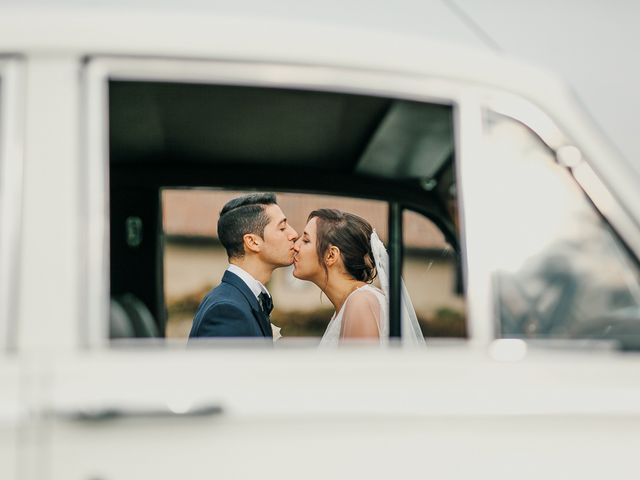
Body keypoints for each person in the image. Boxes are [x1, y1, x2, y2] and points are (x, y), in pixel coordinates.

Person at [292, 209, 425, 346]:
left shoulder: (360, 303)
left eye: (306, 240)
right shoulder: (349, 304)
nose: (296, 246)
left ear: (331, 255)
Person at [189, 193, 298, 339]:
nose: (294, 234)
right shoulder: (226, 311)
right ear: (252, 242)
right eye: (282, 228)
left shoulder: (241, 299)